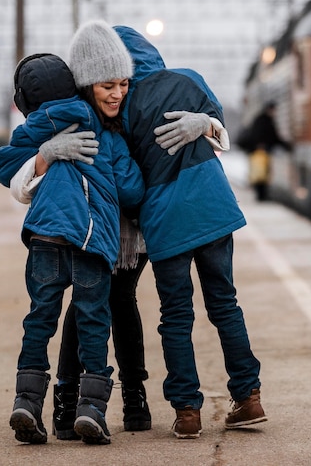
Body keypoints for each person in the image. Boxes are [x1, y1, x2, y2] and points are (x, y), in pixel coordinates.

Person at [111, 24, 267, 439]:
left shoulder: (123, 110)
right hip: (213, 208)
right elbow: (220, 131)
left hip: (165, 219)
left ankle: (187, 412)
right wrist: (204, 123)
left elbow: (129, 181)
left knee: (176, 316)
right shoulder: (189, 77)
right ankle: (248, 397)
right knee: (225, 305)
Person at [0, 48, 144, 446]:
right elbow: (132, 190)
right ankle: (91, 411)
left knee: (39, 319)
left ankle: (26, 402)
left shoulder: (40, 127)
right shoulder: (106, 134)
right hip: (91, 243)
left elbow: (4, 165)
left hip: (45, 237)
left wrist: (44, 155)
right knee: (94, 323)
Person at [246, 101, 292, 201]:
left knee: (260, 174)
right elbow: (273, 136)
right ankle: (261, 196)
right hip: (261, 152)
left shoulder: (260, 119)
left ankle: (261, 195)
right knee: (262, 174)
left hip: (257, 151)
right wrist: (285, 146)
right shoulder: (266, 121)